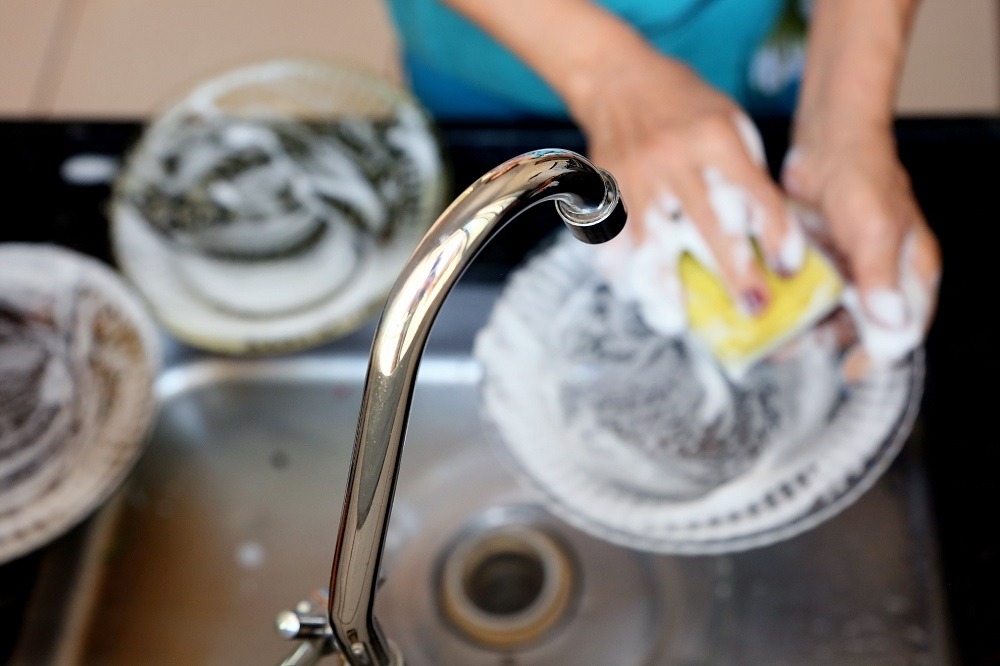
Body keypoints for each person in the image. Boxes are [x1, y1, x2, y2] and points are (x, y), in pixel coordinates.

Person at [385, 0, 941, 380]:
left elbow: (842, 116)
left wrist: (844, 121)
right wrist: (605, 73)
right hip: (496, 58)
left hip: (757, 40)